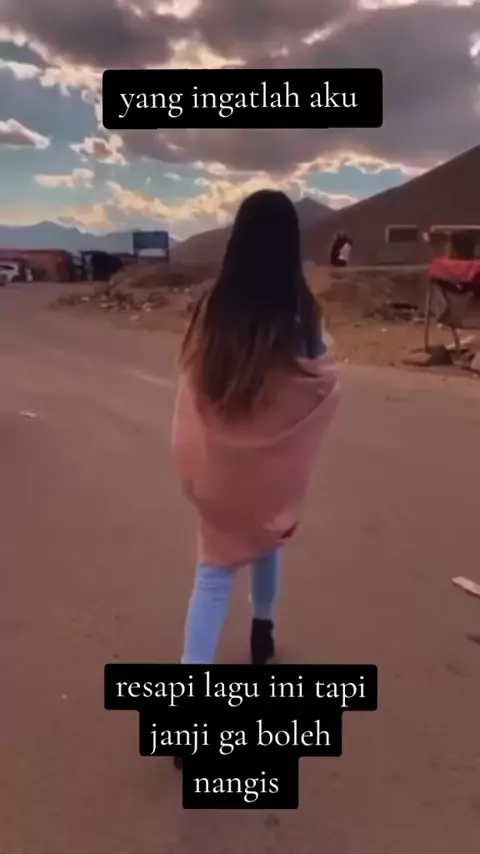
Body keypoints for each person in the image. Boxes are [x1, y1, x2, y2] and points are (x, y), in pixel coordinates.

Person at [172, 189, 340, 673]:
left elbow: (194, 383)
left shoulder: (215, 308)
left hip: (221, 479)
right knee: (268, 540)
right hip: (270, 482)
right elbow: (319, 380)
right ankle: (262, 631)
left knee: (213, 574)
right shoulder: (303, 314)